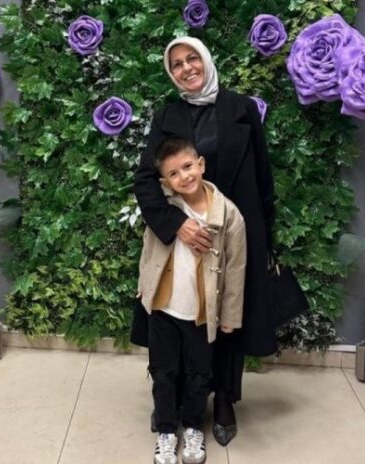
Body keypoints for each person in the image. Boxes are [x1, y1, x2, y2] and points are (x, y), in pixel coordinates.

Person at [133, 36, 276, 446]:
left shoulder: (241, 108)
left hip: (234, 232)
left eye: (192, 58)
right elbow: (146, 179)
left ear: (207, 60)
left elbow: (262, 176)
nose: (186, 68)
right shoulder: (168, 115)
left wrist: (265, 235)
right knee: (181, 319)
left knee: (228, 316)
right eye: (176, 64)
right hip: (184, 239)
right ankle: (173, 399)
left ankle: (225, 397)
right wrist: (176, 223)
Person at [138, 136, 246, 464]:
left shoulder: (228, 215)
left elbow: (235, 268)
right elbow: (148, 250)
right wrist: (145, 286)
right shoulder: (164, 207)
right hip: (163, 308)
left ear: (201, 164)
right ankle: (166, 431)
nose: (184, 176)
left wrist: (230, 316)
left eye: (188, 167)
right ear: (164, 181)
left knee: (199, 374)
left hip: (201, 314)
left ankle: (194, 426)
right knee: (163, 372)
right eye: (173, 173)